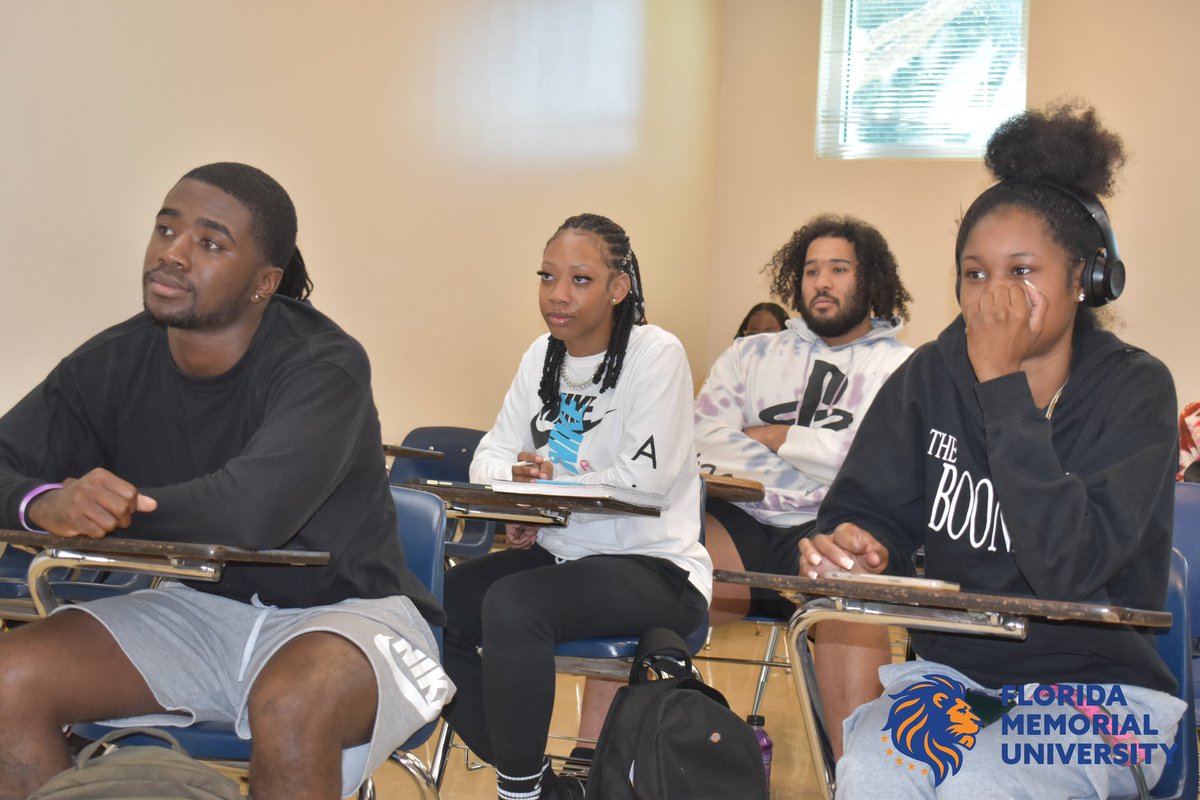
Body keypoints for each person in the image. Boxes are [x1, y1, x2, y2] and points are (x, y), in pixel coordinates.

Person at [0, 163, 452, 800]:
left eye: (210, 243)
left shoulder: (324, 364)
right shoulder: (110, 363)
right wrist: (43, 503)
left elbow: (252, 512)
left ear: (266, 282)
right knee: (10, 679)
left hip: (352, 616)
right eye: (165, 228)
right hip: (199, 610)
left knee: (292, 705)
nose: (174, 253)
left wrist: (108, 511)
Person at [802, 102, 1185, 798]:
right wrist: (856, 541)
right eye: (975, 275)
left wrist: (1004, 388)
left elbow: (1068, 567)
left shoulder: (1136, 391)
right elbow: (866, 509)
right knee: (873, 777)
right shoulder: (930, 375)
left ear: (1086, 280)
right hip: (956, 685)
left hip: (1103, 701)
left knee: (982, 785)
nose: (994, 298)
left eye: (1021, 272)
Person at [441, 213, 712, 800]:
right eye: (547, 276)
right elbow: (488, 456)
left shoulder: (655, 353)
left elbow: (643, 484)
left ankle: (516, 790)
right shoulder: (543, 354)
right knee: (428, 604)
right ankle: (540, 783)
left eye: (580, 279)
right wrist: (518, 480)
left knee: (514, 604)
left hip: (655, 568)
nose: (557, 294)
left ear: (619, 289)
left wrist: (541, 490)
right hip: (562, 559)